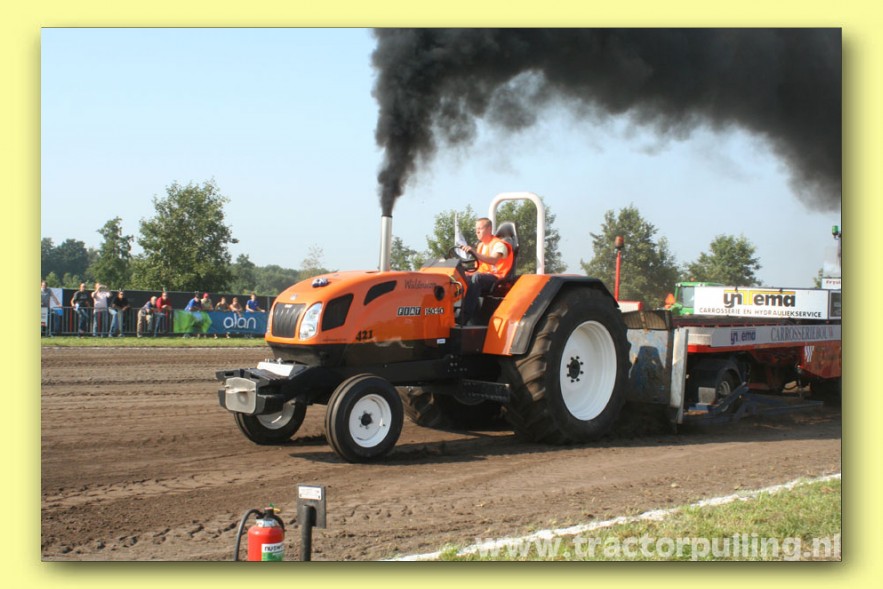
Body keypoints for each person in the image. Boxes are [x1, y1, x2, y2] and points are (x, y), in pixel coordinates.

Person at [457, 217, 514, 326]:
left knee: (477, 278)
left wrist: (474, 252)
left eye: (480, 228)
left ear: (489, 229)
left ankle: (463, 317)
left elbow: (493, 260)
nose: (477, 231)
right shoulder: (481, 245)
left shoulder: (499, 245)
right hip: (483, 276)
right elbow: (479, 267)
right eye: (476, 229)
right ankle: (461, 314)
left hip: (497, 277)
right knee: (462, 277)